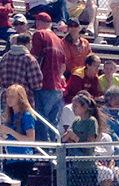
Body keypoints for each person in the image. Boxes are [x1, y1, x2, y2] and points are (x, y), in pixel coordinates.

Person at [1, 84, 39, 186]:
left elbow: (30, 139)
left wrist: (10, 131)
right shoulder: (10, 116)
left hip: (22, 160)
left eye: (12, 96)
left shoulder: (27, 115)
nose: (9, 99)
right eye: (7, 96)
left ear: (20, 98)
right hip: (10, 159)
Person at [30, 12, 66, 141]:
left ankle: (43, 150)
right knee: (52, 121)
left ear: (41, 22)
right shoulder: (58, 39)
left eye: (37, 21)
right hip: (58, 87)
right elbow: (63, 65)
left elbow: (34, 59)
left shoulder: (39, 34)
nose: (36, 24)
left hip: (44, 84)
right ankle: (54, 150)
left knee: (41, 119)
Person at [0, 32, 44, 99]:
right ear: (28, 43)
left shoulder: (5, 57)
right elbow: (36, 84)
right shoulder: (30, 59)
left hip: (6, 98)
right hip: (23, 100)